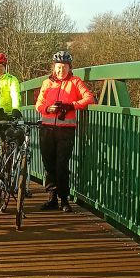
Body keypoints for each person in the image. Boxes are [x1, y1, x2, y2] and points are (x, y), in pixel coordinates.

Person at [35, 50, 95, 213]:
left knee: (61, 164)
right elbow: (39, 104)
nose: (61, 70)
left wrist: (71, 105)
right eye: (58, 67)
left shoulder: (75, 82)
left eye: (64, 67)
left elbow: (89, 98)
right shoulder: (47, 83)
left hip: (66, 130)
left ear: (69, 68)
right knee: (49, 164)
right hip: (47, 129)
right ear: (54, 67)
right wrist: (47, 108)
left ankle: (64, 199)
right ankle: (52, 198)